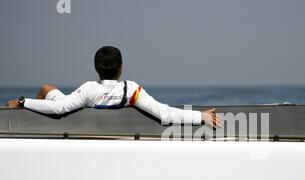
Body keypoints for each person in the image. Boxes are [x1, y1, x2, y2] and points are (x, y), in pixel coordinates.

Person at [6, 46, 223, 128]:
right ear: (121, 68)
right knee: (46, 89)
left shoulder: (89, 88)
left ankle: (19, 113)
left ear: (96, 68)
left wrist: (25, 102)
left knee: (44, 89)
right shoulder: (130, 91)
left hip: (78, 104)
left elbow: (59, 108)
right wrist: (200, 116)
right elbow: (164, 113)